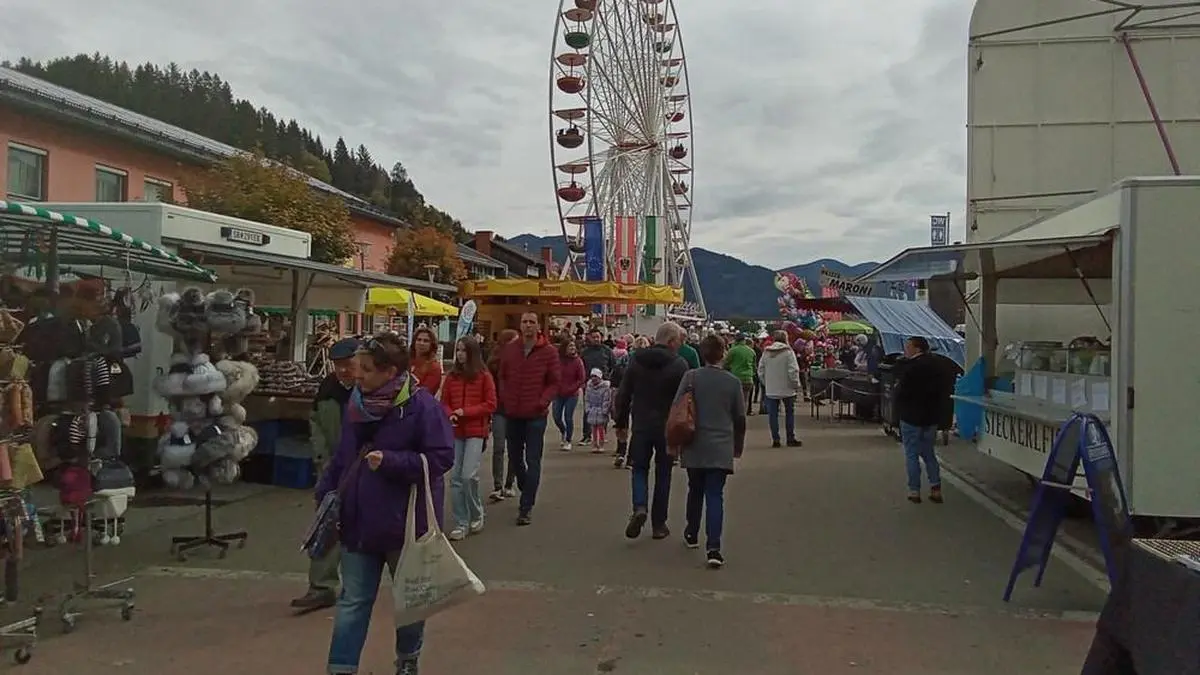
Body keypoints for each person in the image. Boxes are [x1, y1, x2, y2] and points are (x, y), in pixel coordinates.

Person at [316, 333, 454, 675]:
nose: (356, 375)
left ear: (390, 371)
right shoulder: (355, 404)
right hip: (358, 519)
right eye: (356, 367)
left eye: (365, 369)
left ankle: (407, 659)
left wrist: (392, 461)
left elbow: (441, 458)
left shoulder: (422, 407)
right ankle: (341, 668)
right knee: (353, 600)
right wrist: (326, 491)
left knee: (410, 600)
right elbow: (344, 456)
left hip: (404, 523)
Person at [291, 337, 359, 612]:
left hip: (364, 469)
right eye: (338, 365)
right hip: (332, 469)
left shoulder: (370, 389)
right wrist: (321, 457)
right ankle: (321, 587)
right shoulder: (328, 389)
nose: (343, 370)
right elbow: (316, 421)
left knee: (363, 529)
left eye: (348, 364)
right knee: (326, 525)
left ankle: (359, 586)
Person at [614, 322, 688, 540]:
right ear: (672, 341)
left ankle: (639, 506)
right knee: (664, 473)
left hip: (641, 423)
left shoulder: (637, 360)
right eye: (679, 341)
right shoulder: (679, 364)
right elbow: (685, 400)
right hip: (667, 426)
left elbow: (624, 392)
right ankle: (659, 524)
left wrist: (621, 422)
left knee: (639, 468)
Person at [678, 335, 747, 568]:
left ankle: (691, 532)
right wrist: (737, 446)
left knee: (695, 489)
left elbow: (678, 406)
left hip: (694, 442)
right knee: (715, 495)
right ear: (723, 353)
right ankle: (714, 548)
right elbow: (740, 418)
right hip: (721, 445)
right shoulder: (732, 382)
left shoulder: (691, 377)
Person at [497, 312, 561, 525]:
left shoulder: (549, 352)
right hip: (513, 412)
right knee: (515, 457)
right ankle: (526, 486)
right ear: (520, 325)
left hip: (535, 414)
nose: (528, 325)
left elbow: (554, 382)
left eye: (532, 322)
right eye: (524, 322)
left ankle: (526, 508)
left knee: (533, 459)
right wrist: (505, 398)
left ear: (538, 326)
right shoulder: (511, 349)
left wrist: (543, 401)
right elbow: (502, 376)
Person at [441, 335, 497, 540]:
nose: (460, 354)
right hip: (456, 431)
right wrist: (450, 414)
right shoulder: (451, 377)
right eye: (458, 350)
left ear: (472, 353)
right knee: (455, 477)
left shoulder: (484, 376)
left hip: (476, 431)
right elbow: (444, 402)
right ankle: (461, 521)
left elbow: (491, 404)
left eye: (464, 350)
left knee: (468, 475)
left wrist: (466, 412)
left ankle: (476, 512)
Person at [895, 336, 949, 504]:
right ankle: (936, 488)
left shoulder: (910, 367)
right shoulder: (938, 365)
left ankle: (914, 490)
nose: (906, 349)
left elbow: (902, 391)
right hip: (931, 417)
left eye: (908, 346)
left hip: (911, 416)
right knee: (929, 453)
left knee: (911, 453)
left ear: (917, 348)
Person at [486, 329, 519, 502]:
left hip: (516, 409)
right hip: (499, 409)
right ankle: (497, 486)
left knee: (514, 447)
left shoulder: (521, 361)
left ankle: (509, 484)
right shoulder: (493, 363)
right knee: (499, 447)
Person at [758, 330, 803, 448]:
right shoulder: (788, 352)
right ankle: (790, 438)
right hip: (787, 389)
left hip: (771, 389)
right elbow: (793, 370)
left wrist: (766, 383)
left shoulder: (766, 352)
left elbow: (761, 370)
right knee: (789, 413)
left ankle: (776, 439)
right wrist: (795, 384)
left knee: (772, 415)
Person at [579, 328, 615, 441]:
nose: (596, 339)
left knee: (604, 408)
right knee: (588, 409)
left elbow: (613, 366)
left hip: (604, 384)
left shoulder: (607, 351)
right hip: (589, 384)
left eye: (597, 337)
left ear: (601, 338)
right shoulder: (585, 352)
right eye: (593, 337)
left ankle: (602, 433)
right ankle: (587, 435)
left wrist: (609, 380)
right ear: (589, 338)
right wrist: (583, 382)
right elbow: (581, 368)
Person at [553, 339, 586, 451]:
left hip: (572, 394)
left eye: (573, 346)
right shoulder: (557, 360)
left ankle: (568, 440)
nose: (572, 348)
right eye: (570, 346)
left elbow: (581, 378)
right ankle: (564, 431)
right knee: (556, 417)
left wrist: (571, 389)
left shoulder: (578, 361)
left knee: (568, 417)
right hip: (558, 393)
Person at [722, 334, 757, 415]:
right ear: (744, 340)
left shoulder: (732, 351)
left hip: (735, 378)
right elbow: (754, 366)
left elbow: (726, 364)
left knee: (734, 400)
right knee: (745, 400)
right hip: (748, 379)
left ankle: (734, 417)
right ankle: (742, 417)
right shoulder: (751, 351)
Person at [583, 368, 612, 453]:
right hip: (592, 410)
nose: (593, 378)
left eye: (595, 376)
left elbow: (606, 400)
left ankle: (601, 444)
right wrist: (587, 409)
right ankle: (595, 444)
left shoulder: (605, 388)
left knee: (601, 428)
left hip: (601, 410)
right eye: (592, 376)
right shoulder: (589, 387)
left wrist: (604, 410)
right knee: (593, 429)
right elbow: (587, 399)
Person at [410, 326, 444, 394]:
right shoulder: (406, 361)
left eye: (426, 341)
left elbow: (426, 393)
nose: (421, 343)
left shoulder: (434, 367)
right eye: (419, 340)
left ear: (432, 345)